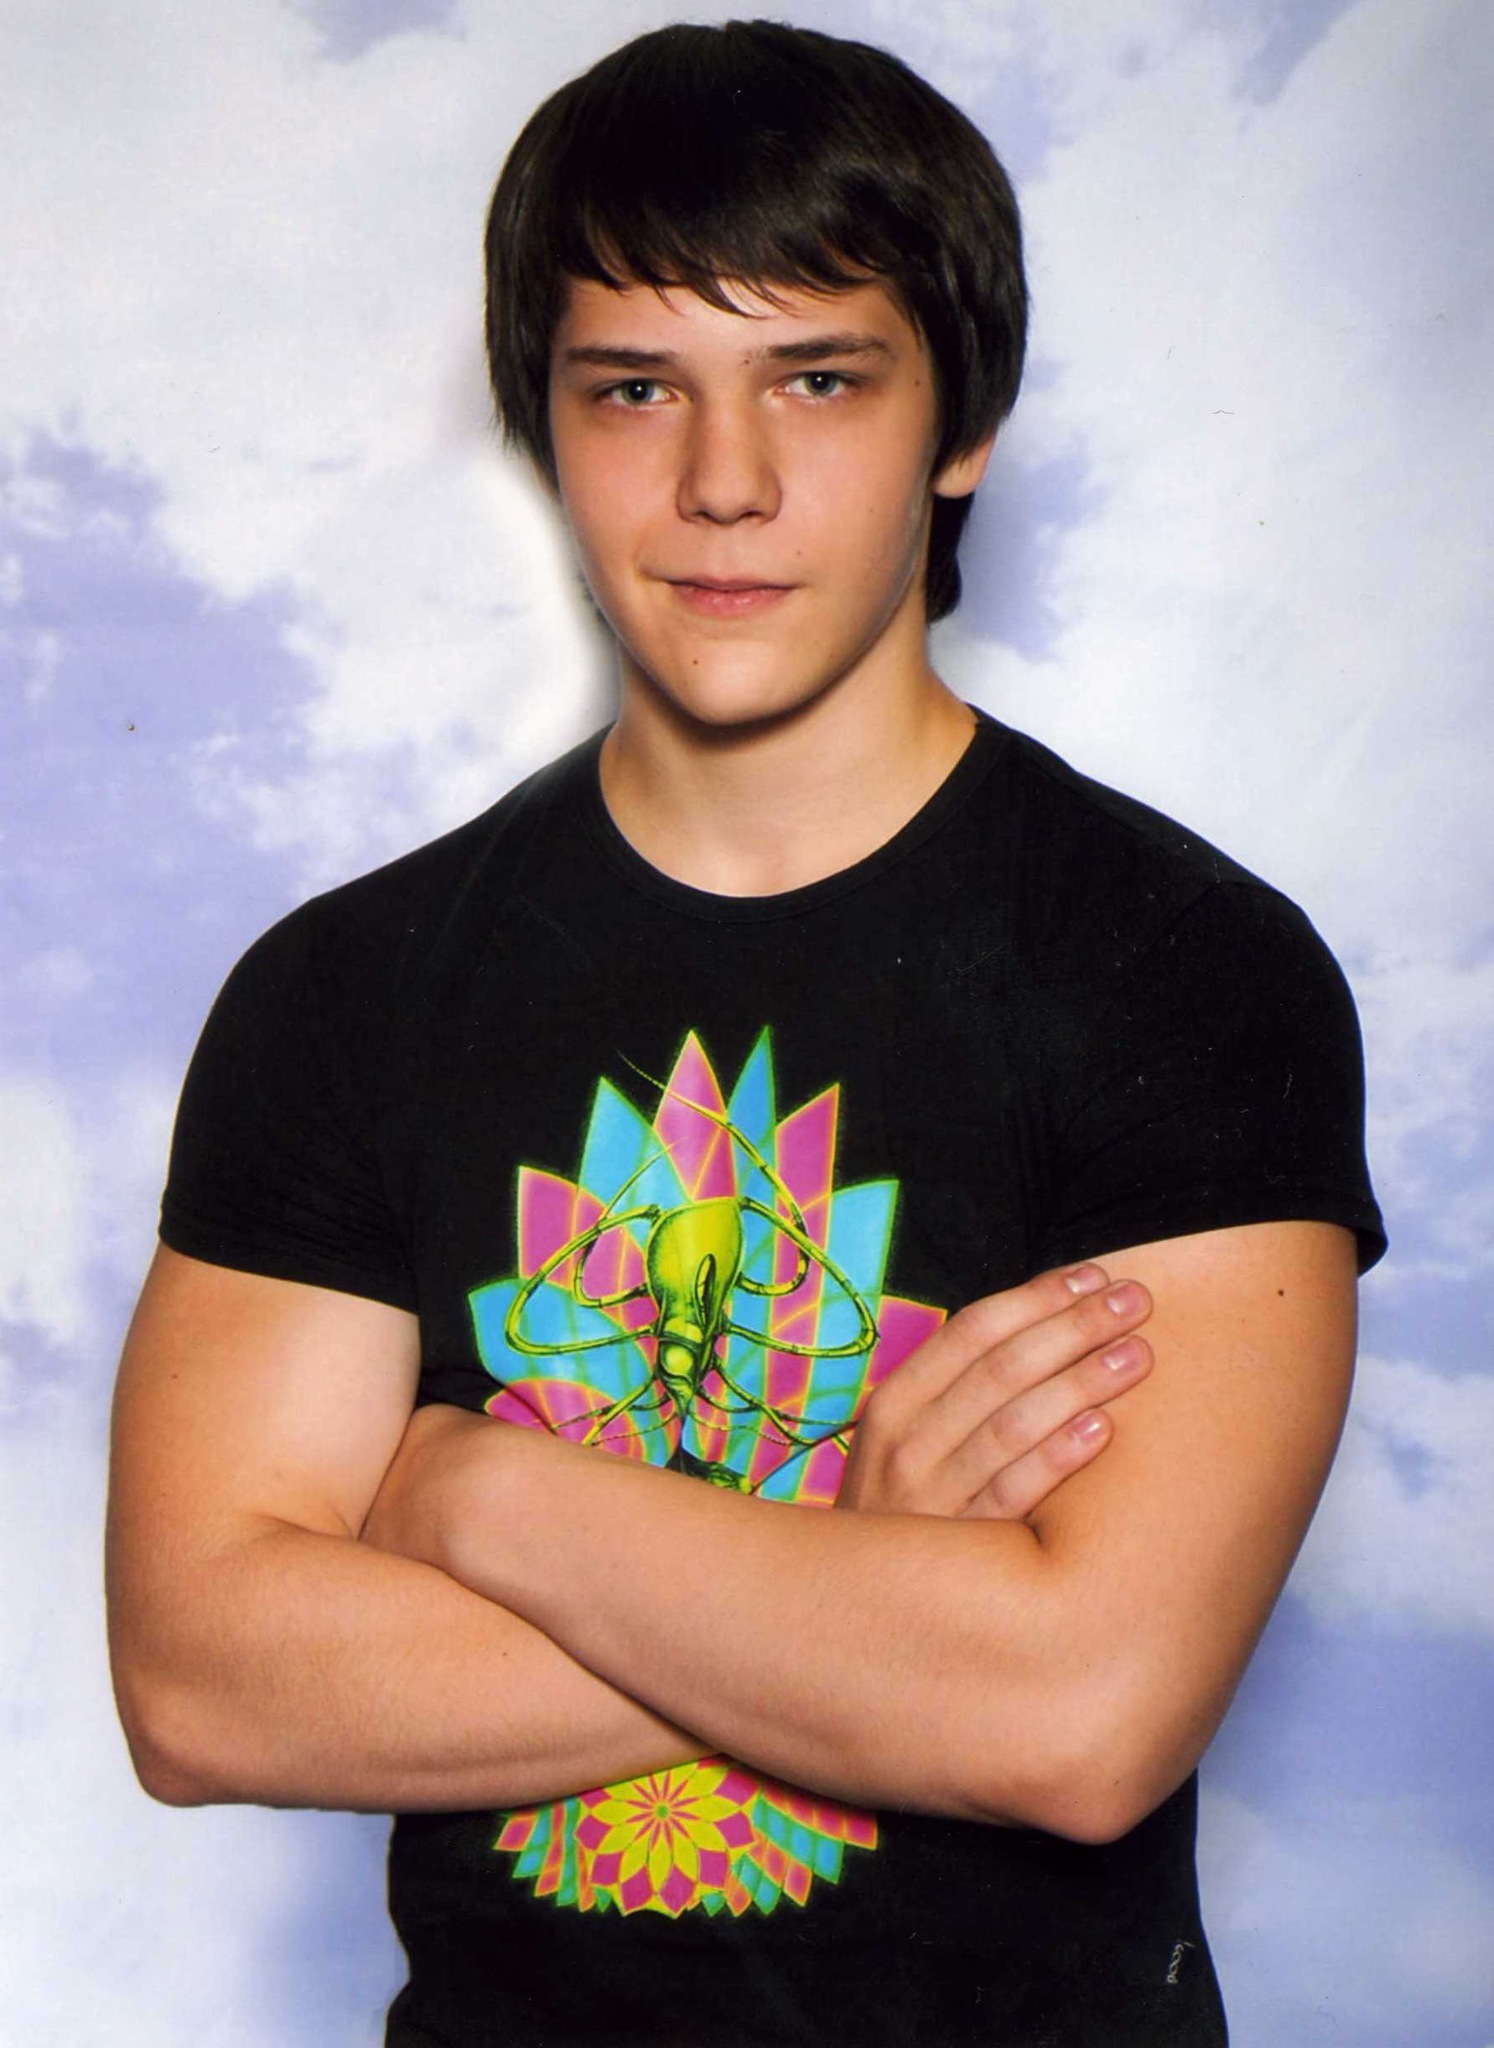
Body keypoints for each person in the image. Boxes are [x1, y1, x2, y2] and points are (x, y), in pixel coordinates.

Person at [105, 20, 1385, 2047]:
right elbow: (201, 1688)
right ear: (542, 425)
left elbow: (1078, 1715)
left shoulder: (1184, 968)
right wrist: (855, 1571)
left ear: (963, 424)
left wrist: (485, 1500)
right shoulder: (345, 990)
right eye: (634, 387)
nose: (722, 483)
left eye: (818, 377)